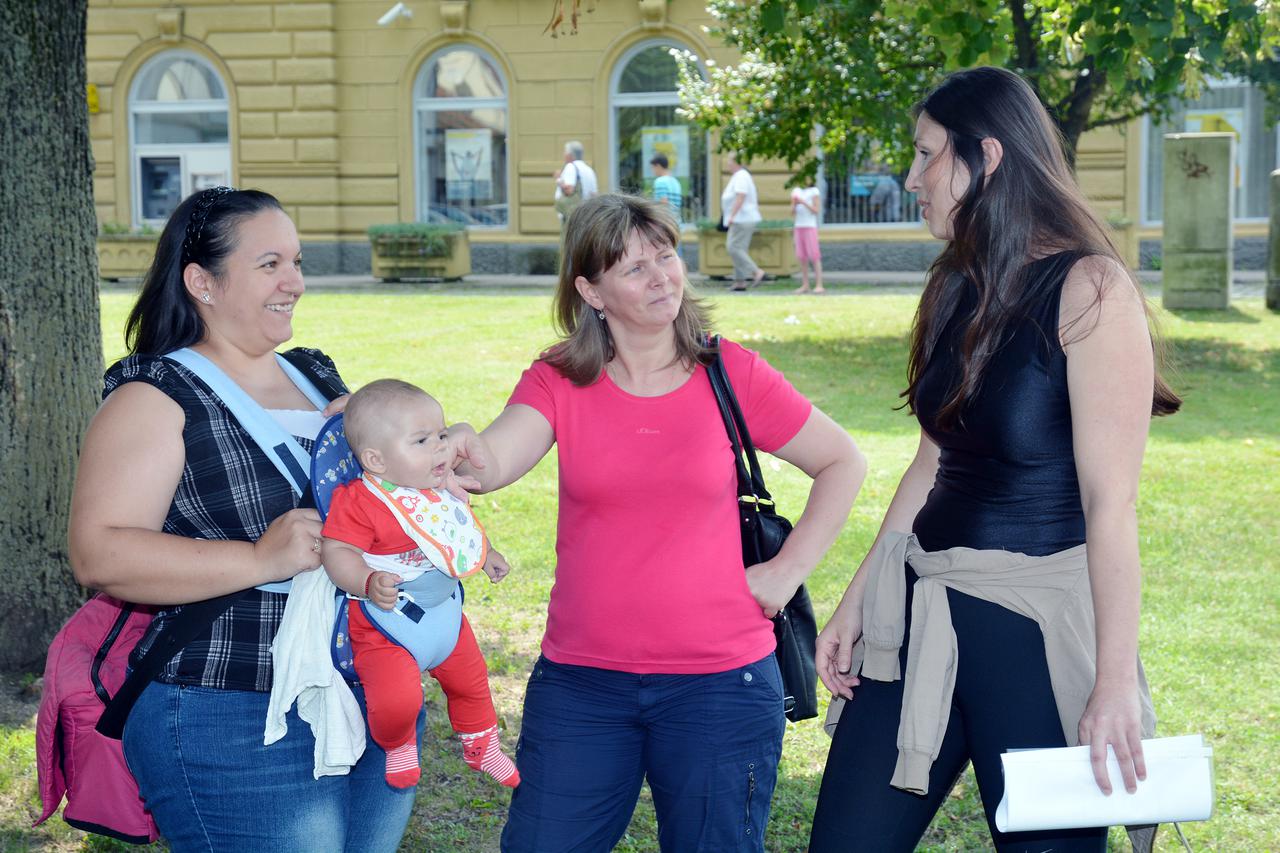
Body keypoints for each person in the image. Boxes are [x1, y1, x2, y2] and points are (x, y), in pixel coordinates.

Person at [808, 67, 1180, 852]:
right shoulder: (954, 284)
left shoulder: (1090, 290)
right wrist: (855, 602)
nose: (912, 178)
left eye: (925, 156)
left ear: (988, 155)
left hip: (1035, 633)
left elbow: (1111, 504)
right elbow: (928, 466)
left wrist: (1113, 680)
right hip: (920, 611)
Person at [450, 194, 867, 852]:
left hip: (722, 684)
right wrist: (470, 452)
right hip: (582, 683)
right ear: (590, 289)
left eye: (665, 255)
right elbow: (499, 455)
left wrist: (787, 571)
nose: (661, 276)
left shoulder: (730, 372)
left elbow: (843, 459)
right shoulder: (559, 377)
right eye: (633, 267)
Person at [67, 187, 420, 851]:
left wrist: (419, 457)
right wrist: (260, 559)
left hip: (368, 692)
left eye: (296, 261)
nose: (295, 282)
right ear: (201, 280)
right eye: (269, 265)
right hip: (232, 708)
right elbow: (98, 553)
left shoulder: (316, 377)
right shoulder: (156, 393)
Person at [321, 379, 520, 791]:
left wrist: (487, 555)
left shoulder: (436, 488)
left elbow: (455, 533)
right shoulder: (361, 501)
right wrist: (366, 579)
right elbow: (336, 551)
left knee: (472, 680)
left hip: (444, 614)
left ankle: (482, 743)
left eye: (443, 435)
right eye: (423, 440)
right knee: (397, 699)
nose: (441, 449)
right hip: (386, 621)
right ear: (375, 460)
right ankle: (397, 743)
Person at [722, 153, 764, 291]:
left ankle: (755, 271)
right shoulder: (740, 176)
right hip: (743, 218)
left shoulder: (741, 176)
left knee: (733, 247)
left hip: (741, 218)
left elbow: (741, 196)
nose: (728, 163)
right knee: (739, 249)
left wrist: (731, 216)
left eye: (729, 161)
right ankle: (740, 282)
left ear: (736, 162)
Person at [790, 180, 824, 294]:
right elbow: (792, 212)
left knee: (814, 256)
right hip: (798, 226)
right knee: (802, 256)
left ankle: (819, 284)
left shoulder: (814, 191)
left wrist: (803, 202)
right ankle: (805, 284)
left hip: (810, 226)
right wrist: (794, 204)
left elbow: (816, 210)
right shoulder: (796, 191)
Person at [553, 140, 599, 225]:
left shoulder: (571, 166)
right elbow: (594, 194)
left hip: (573, 215)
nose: (564, 155)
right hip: (586, 215)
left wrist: (559, 180)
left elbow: (569, 190)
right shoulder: (589, 170)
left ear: (570, 155)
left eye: (565, 152)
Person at [649, 153, 683, 222]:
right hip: (676, 222)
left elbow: (663, 203)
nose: (652, 171)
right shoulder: (676, 182)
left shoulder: (660, 181)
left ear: (658, 166)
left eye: (653, 167)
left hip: (666, 223)